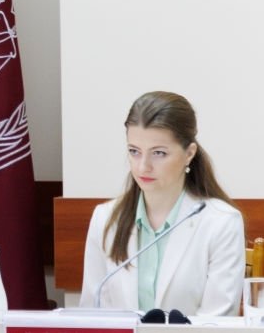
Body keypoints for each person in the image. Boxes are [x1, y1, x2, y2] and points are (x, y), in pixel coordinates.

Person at [79, 91, 244, 316]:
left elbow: (216, 323)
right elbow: (91, 315)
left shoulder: (222, 222)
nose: (143, 167)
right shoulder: (105, 218)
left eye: (158, 153)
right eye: (134, 151)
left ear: (189, 154)